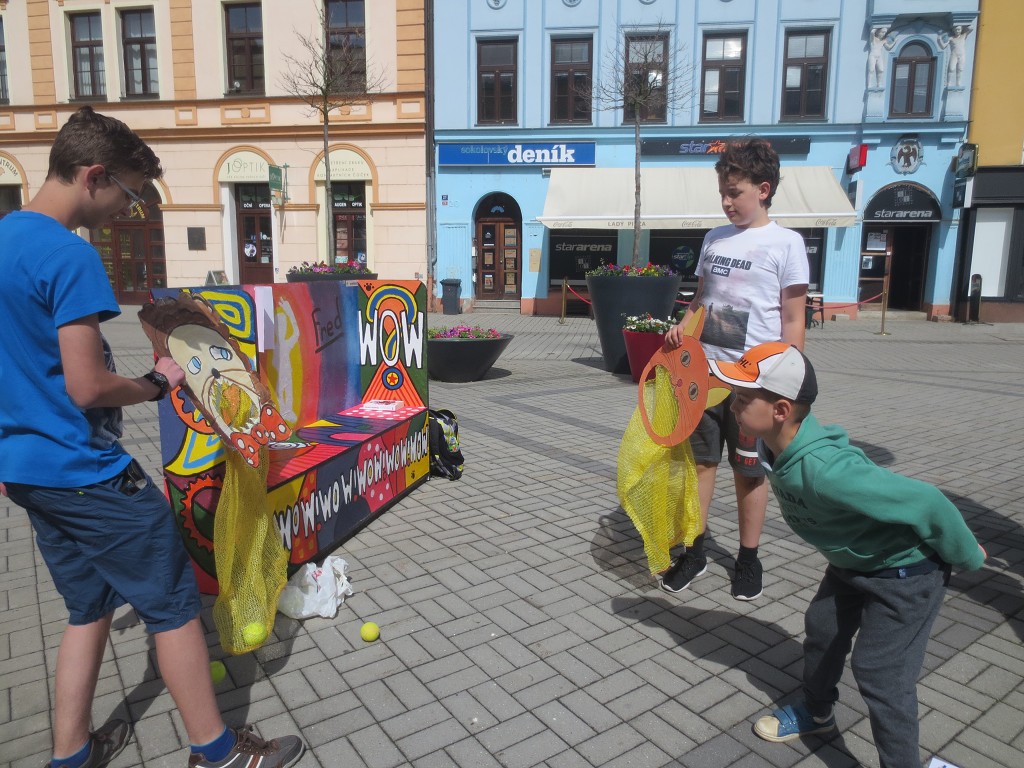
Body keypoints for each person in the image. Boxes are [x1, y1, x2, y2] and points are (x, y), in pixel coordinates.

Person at [0, 107, 304, 768]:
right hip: (87, 473)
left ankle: (71, 755)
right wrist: (156, 383)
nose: (128, 210)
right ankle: (219, 753)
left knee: (89, 609)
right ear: (94, 175)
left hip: (26, 475)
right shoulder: (67, 255)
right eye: (129, 194)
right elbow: (87, 386)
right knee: (172, 606)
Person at [710, 341, 985, 767]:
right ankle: (817, 713)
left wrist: (968, 556)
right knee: (822, 630)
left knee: (880, 674)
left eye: (744, 399)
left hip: (906, 574)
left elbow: (928, 502)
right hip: (851, 564)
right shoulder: (771, 444)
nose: (733, 406)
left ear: (781, 411)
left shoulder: (827, 470)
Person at [662, 137, 808, 600]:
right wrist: (681, 330)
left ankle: (748, 559)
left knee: (749, 472)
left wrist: (787, 382)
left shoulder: (787, 244)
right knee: (701, 466)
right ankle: (696, 551)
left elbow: (793, 319)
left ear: (763, 189)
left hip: (755, 384)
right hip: (704, 377)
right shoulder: (713, 239)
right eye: (722, 193)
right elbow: (701, 302)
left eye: (735, 192)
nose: (726, 202)